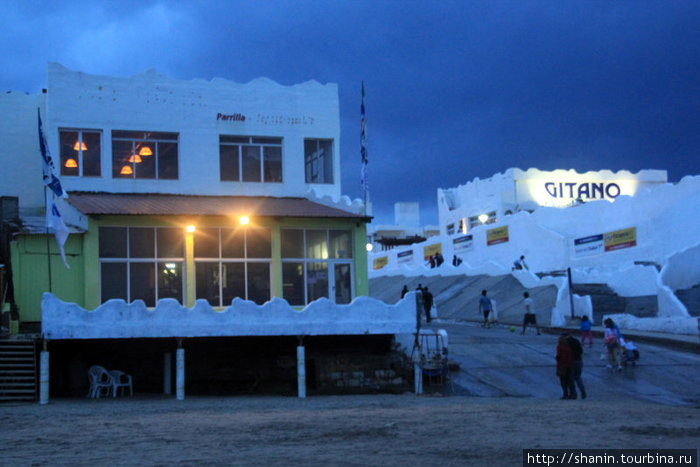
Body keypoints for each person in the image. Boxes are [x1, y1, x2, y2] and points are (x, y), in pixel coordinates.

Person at [565, 333, 586, 399]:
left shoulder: (566, 342)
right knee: (578, 377)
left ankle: (573, 394)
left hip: (571, 362)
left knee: (570, 378)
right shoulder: (576, 341)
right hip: (578, 361)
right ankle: (582, 391)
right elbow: (581, 351)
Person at [555, 334, 576, 400]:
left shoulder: (560, 347)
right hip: (569, 365)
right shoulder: (568, 347)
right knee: (569, 381)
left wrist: (558, 359)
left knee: (563, 381)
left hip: (562, 365)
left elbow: (560, 356)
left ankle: (565, 394)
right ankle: (572, 394)